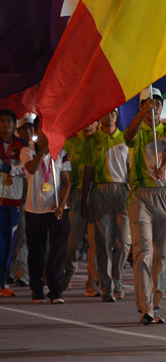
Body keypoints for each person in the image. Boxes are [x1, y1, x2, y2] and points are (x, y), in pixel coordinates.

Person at [125, 87, 166, 325]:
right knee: (143, 251)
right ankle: (145, 306)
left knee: (161, 254)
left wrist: (163, 168)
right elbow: (129, 138)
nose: (154, 107)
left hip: (164, 196)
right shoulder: (136, 130)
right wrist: (141, 115)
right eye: (149, 103)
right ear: (141, 106)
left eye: (157, 103)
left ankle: (156, 304)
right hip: (139, 195)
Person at [81, 108, 131, 302]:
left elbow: (130, 168)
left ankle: (117, 279)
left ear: (116, 117)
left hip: (122, 191)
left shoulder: (126, 139)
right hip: (100, 191)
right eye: (105, 113)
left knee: (123, 243)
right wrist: (85, 199)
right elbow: (88, 172)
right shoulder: (92, 141)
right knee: (103, 242)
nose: (108, 117)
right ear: (100, 117)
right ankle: (107, 287)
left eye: (112, 114)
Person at [23, 126, 71, 304]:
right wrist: (43, 150)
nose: (45, 134)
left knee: (57, 251)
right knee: (36, 252)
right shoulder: (26, 151)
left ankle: (56, 290)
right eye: (42, 131)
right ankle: (36, 289)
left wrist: (61, 204)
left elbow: (66, 182)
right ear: (37, 132)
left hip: (56, 209)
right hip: (34, 209)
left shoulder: (62, 153)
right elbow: (32, 169)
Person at [62, 121, 100, 297]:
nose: (87, 124)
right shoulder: (70, 143)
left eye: (92, 120)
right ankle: (67, 277)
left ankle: (92, 283)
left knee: (96, 243)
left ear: (98, 123)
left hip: (98, 194)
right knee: (73, 243)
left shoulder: (101, 141)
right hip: (76, 195)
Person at [0, 109, 29, 298]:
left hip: (13, 200)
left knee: (8, 244)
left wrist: (9, 168)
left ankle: (3, 282)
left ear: (14, 123)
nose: (5, 124)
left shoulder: (22, 145)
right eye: (2, 121)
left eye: (9, 121)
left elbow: (27, 170)